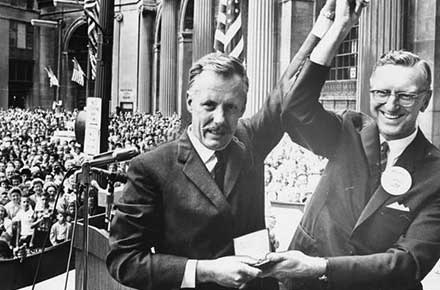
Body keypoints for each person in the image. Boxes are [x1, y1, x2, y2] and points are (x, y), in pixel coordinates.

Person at [105, 12, 332, 286]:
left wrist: (330, 23)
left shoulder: (248, 139)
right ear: (190, 101)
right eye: (209, 106)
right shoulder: (151, 167)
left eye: (231, 107)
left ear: (243, 109)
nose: (220, 120)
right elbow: (124, 261)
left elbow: (289, 85)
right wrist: (206, 271)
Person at [260, 1, 440, 290]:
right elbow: (294, 110)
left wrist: (321, 267)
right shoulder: (350, 131)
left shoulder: (435, 174)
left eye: (406, 96)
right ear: (370, 92)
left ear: (425, 100)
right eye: (382, 93)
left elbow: (408, 262)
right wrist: (340, 28)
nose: (391, 105)